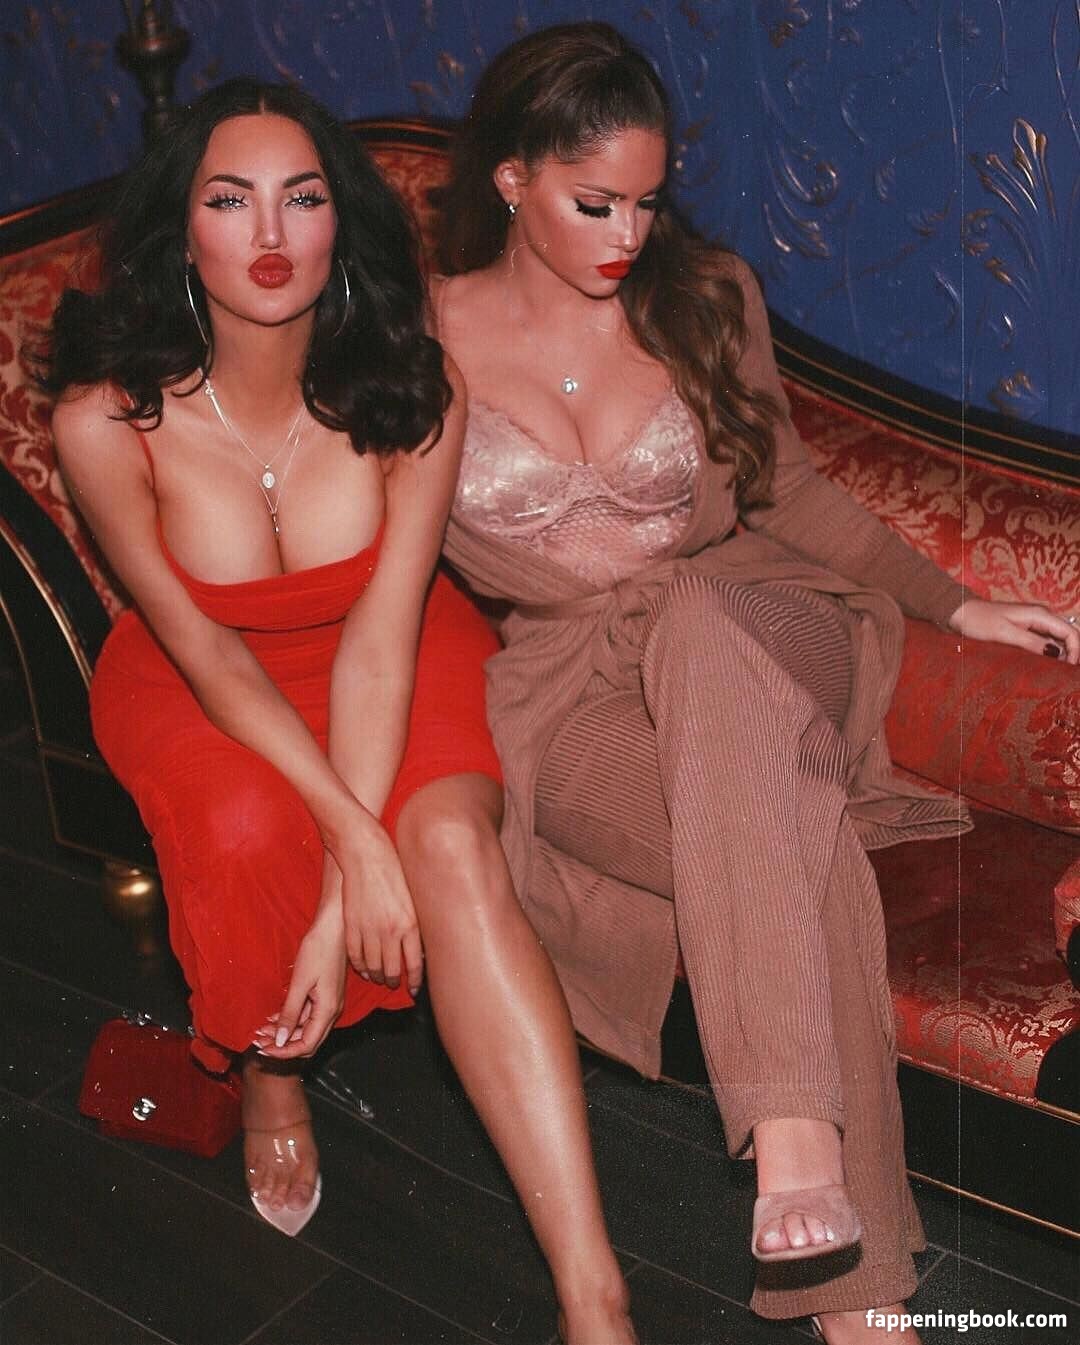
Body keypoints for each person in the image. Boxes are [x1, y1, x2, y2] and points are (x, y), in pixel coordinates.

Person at [432, 22, 1079, 1345]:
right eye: (595, 203)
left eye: (647, 201)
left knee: (699, 617)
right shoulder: (416, 342)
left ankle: (790, 1140)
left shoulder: (704, 294)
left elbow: (792, 493)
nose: (628, 234)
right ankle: (860, 1300)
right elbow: (366, 561)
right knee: (797, 841)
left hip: (769, 623)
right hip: (567, 689)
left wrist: (957, 602)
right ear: (510, 178)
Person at [41, 79, 635, 1344]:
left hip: (392, 647)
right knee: (250, 828)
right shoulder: (103, 414)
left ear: (340, 223)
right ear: (181, 227)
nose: (270, 232)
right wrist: (349, 844)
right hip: (199, 672)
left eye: (302, 198)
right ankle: (270, 1072)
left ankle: (596, 1298)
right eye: (230, 199)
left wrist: (346, 892)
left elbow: (383, 634)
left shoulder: (416, 387)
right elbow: (203, 646)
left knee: (453, 848)